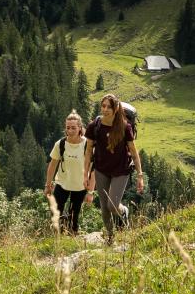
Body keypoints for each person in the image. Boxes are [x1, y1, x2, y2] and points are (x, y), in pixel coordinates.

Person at [87, 93, 144, 243]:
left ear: (116, 109)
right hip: (101, 169)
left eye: (109, 107)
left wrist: (140, 175)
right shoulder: (95, 126)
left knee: (112, 205)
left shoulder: (125, 127)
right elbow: (88, 151)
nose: (105, 109)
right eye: (103, 106)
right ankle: (110, 237)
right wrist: (85, 173)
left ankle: (123, 211)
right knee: (104, 208)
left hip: (121, 169)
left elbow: (133, 151)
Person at [43, 110, 93, 234]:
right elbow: (52, 165)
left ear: (80, 128)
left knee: (73, 217)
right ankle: (58, 237)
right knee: (55, 212)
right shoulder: (60, 144)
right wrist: (48, 185)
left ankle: (72, 237)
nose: (70, 131)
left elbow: (93, 170)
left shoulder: (87, 145)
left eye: (73, 128)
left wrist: (90, 192)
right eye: (68, 127)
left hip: (80, 186)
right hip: (62, 183)